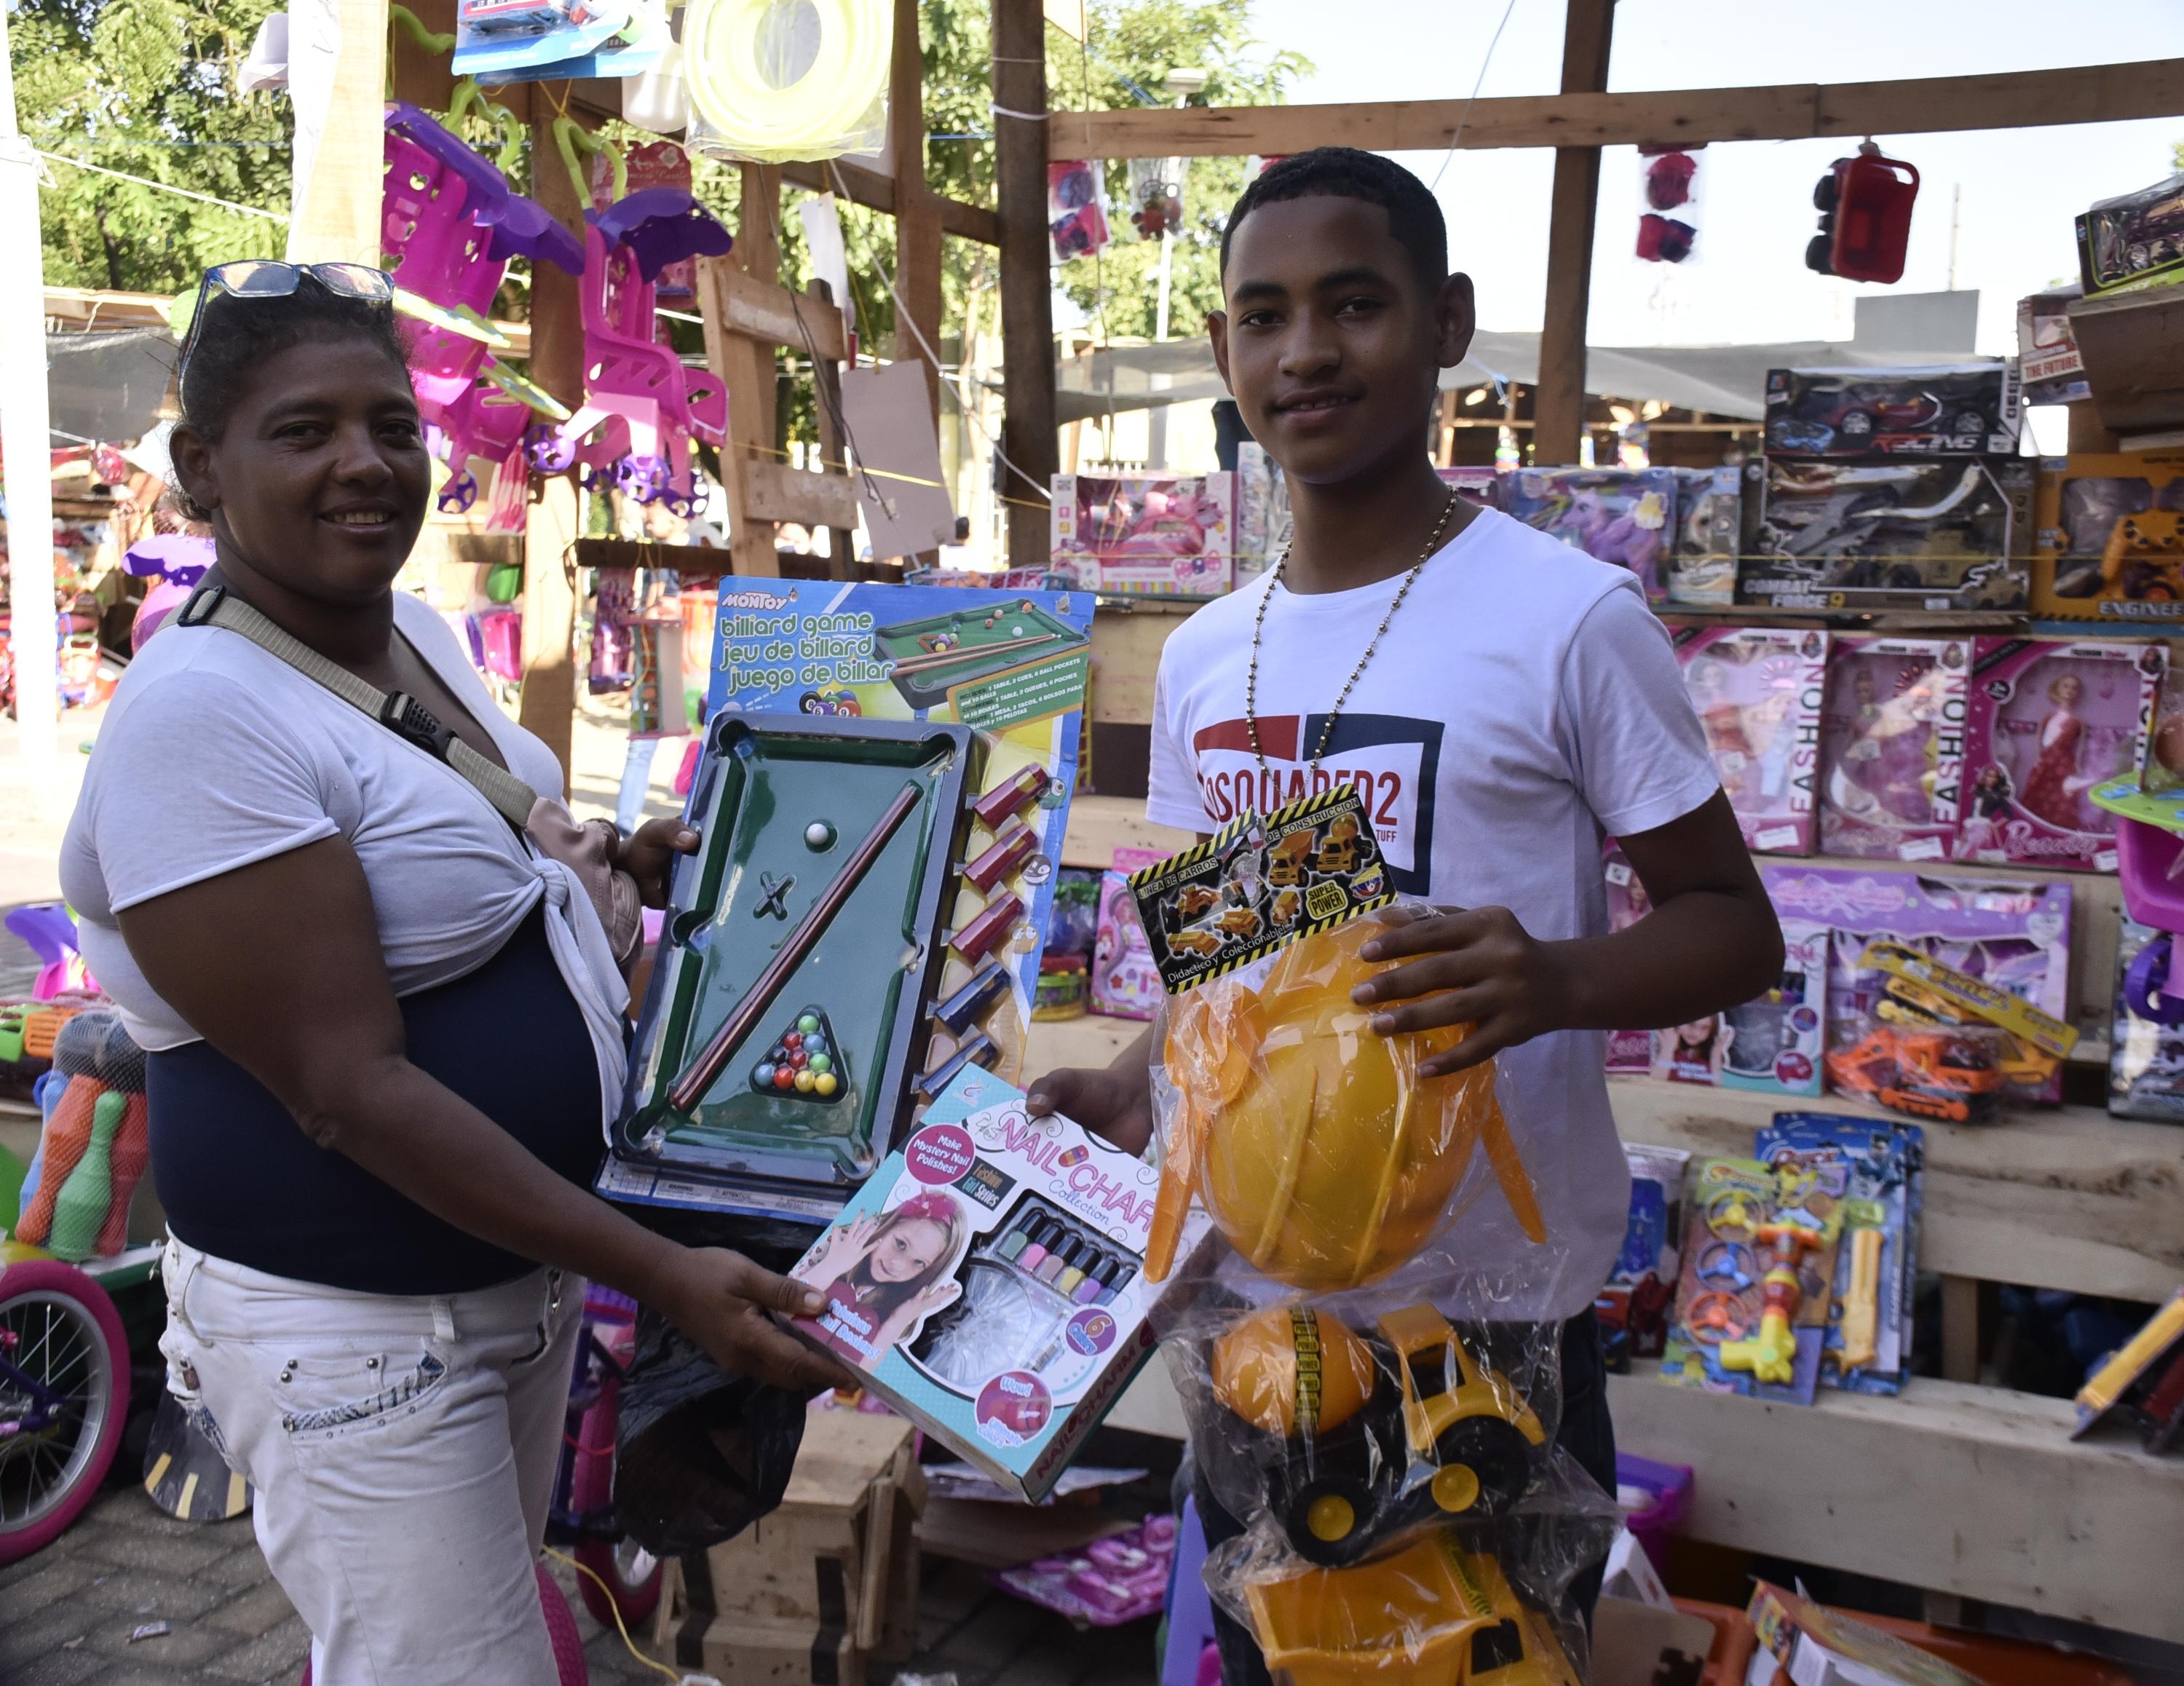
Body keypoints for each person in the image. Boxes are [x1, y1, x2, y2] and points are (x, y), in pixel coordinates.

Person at [1025, 150, 1783, 1682]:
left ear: (1446, 324)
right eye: (1264, 316)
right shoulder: (1206, 654)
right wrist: (1131, 1079)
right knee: (1269, 1657)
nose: (1306, 352)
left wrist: (1558, 977)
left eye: (1354, 305)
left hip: (1483, 1339)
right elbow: (1237, 944)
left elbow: (1732, 926)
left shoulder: (1567, 620)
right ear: (1228, 353)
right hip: (1255, 1326)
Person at [59, 264, 844, 1685]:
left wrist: (625, 858)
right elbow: (346, 1094)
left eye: (391, 425)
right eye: (303, 431)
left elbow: (470, 835)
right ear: (202, 467)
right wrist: (663, 1272)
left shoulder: (401, 632)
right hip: (354, 1331)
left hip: (506, 1288)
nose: (365, 464)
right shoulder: (199, 723)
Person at [799, 1195, 968, 1361]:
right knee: (841, 1293)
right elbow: (783, 1302)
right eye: (900, 1244)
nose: (897, 1265)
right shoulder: (839, 1243)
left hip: (822, 1378)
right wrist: (832, 1266)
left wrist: (897, 1321)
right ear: (888, 1226)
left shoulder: (890, 1309)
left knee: (868, 1319)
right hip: (784, 1344)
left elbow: (863, 1372)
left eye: (919, 1263)